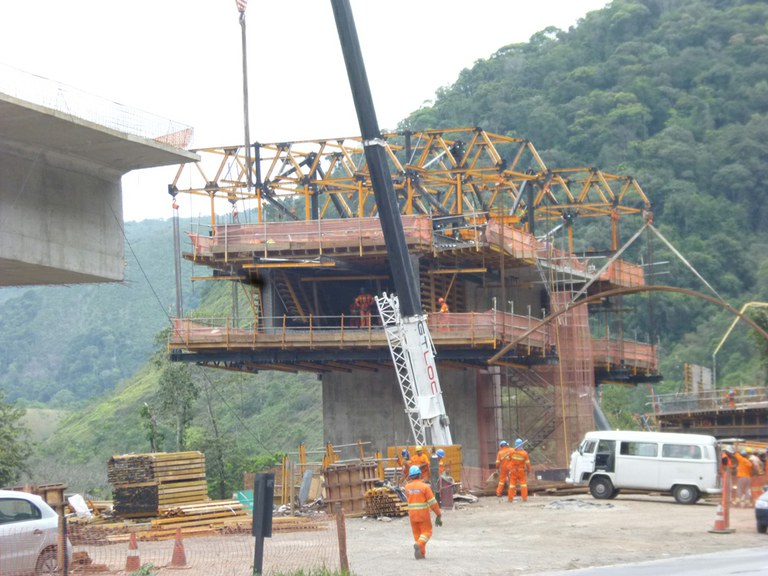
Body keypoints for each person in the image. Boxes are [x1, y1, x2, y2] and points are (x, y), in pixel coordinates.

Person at [404, 465, 442, 560]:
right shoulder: (425, 487)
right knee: (427, 532)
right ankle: (419, 544)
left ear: (410, 476)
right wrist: (438, 514)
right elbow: (433, 503)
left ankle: (421, 553)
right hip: (423, 515)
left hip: (412, 515)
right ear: (420, 475)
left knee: (417, 534)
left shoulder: (407, 487)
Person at [509, 438, 532, 502]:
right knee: (523, 485)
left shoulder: (512, 451)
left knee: (512, 485)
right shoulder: (524, 453)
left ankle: (510, 499)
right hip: (521, 471)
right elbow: (527, 463)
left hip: (513, 470)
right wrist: (529, 470)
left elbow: (509, 458)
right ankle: (524, 498)